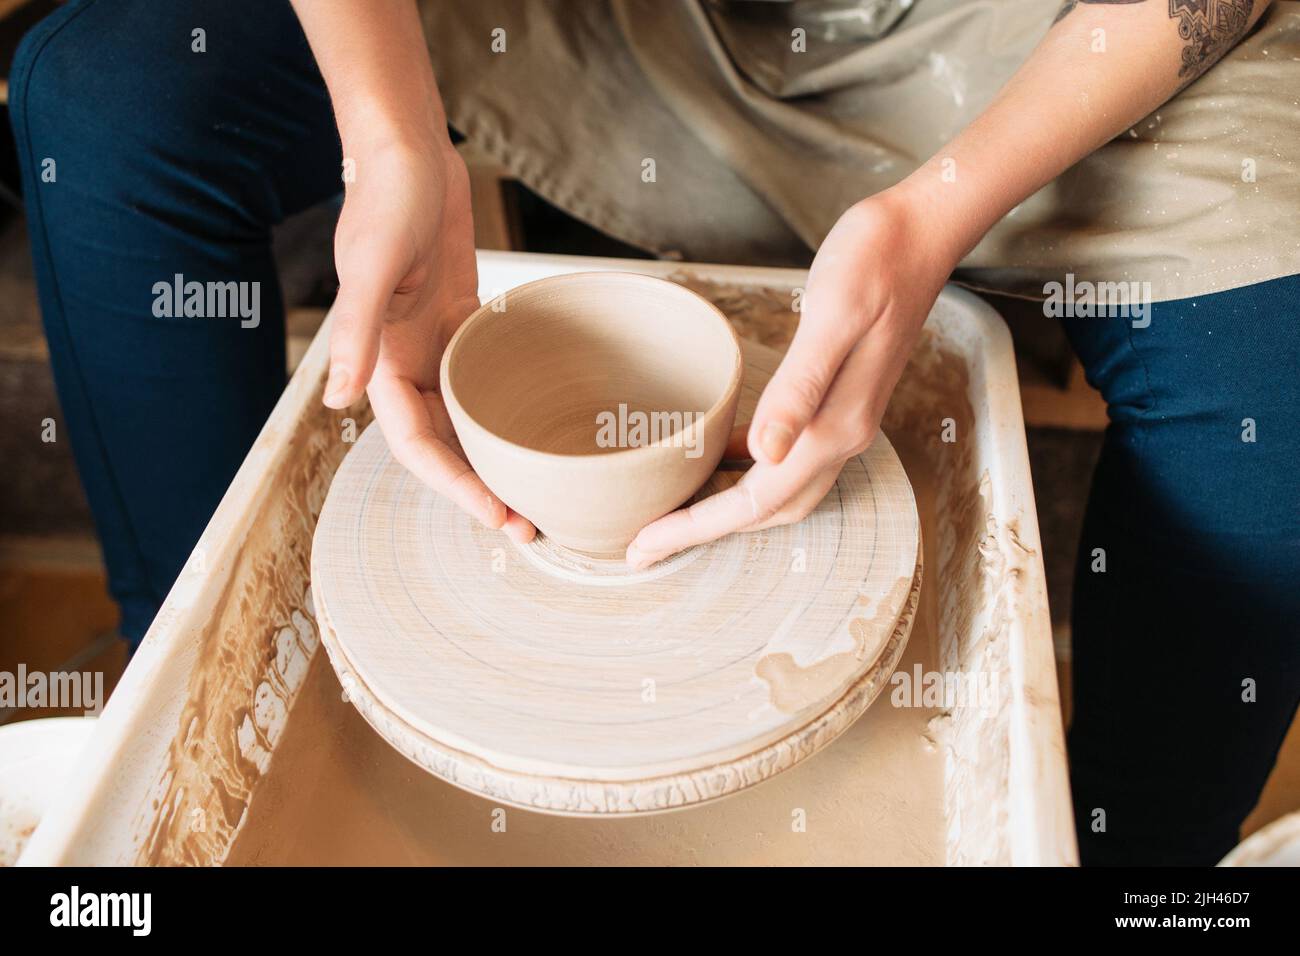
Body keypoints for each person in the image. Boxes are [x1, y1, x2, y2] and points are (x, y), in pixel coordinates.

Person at [10, 0, 1297, 865]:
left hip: (1033, 32)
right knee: (105, 95)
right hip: (612, 19)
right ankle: (156, 725)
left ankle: (1132, 864)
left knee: (1275, 405)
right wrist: (388, 136)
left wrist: (936, 211)